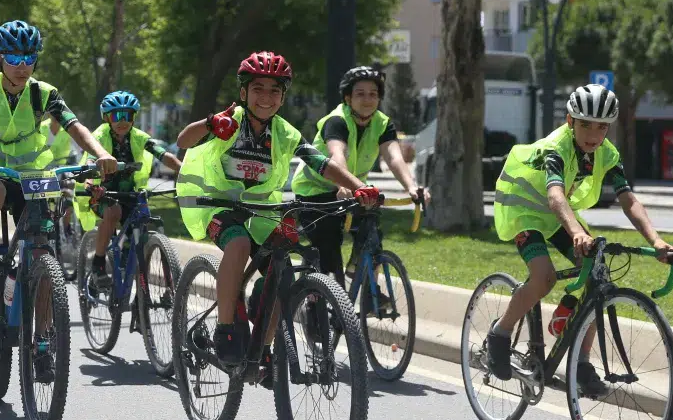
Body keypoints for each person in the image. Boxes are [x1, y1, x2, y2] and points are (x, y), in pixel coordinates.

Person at [175, 52, 380, 374]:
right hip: (214, 205)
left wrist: (358, 187)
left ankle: (264, 347)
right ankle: (225, 327)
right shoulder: (228, 122)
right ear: (243, 93)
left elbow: (321, 163)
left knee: (285, 268)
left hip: (260, 211)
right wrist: (209, 123)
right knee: (239, 244)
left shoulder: (285, 133)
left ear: (283, 97)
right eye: (258, 89)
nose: (266, 97)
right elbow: (183, 140)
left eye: (274, 91)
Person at [0, 21, 117, 382]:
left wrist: (100, 152)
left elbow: (74, 126)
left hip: (30, 174)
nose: (22, 65)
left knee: (42, 253)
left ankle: (42, 341)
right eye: (13, 57)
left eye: (29, 57)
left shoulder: (43, 92)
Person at [487, 83, 673, 398]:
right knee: (543, 277)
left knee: (597, 272)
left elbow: (628, 200)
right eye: (585, 123)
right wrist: (576, 232)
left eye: (601, 127)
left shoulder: (607, 154)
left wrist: (656, 240)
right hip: (523, 210)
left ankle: (582, 362)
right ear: (570, 121)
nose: (593, 133)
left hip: (558, 215)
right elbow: (556, 195)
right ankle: (500, 333)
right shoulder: (555, 148)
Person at [291, 65, 427, 288]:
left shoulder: (382, 124)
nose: (367, 100)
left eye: (373, 94)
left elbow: (394, 158)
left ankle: (367, 285)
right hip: (315, 192)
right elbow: (338, 154)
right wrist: (342, 184)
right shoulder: (336, 120)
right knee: (328, 251)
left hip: (355, 189)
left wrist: (411, 187)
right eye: (360, 94)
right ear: (347, 98)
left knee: (372, 233)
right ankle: (321, 303)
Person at [77, 91, 182, 290]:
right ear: (107, 117)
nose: (123, 121)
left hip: (130, 193)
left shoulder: (139, 137)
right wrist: (91, 185)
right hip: (102, 193)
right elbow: (91, 162)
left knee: (143, 217)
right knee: (113, 211)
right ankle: (98, 264)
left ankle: (136, 278)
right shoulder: (99, 136)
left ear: (134, 117)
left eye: (128, 115)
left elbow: (163, 155)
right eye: (117, 115)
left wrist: (183, 170)